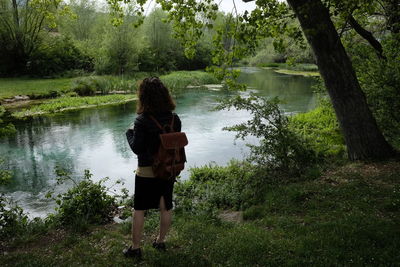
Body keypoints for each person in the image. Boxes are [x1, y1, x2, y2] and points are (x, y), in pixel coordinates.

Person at [124, 77, 182, 259]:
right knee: (166, 206)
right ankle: (160, 241)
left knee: (139, 209)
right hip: (168, 169)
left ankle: (135, 248)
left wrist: (129, 133)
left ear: (143, 96)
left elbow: (137, 148)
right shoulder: (175, 119)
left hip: (147, 171)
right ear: (165, 95)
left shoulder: (141, 121)